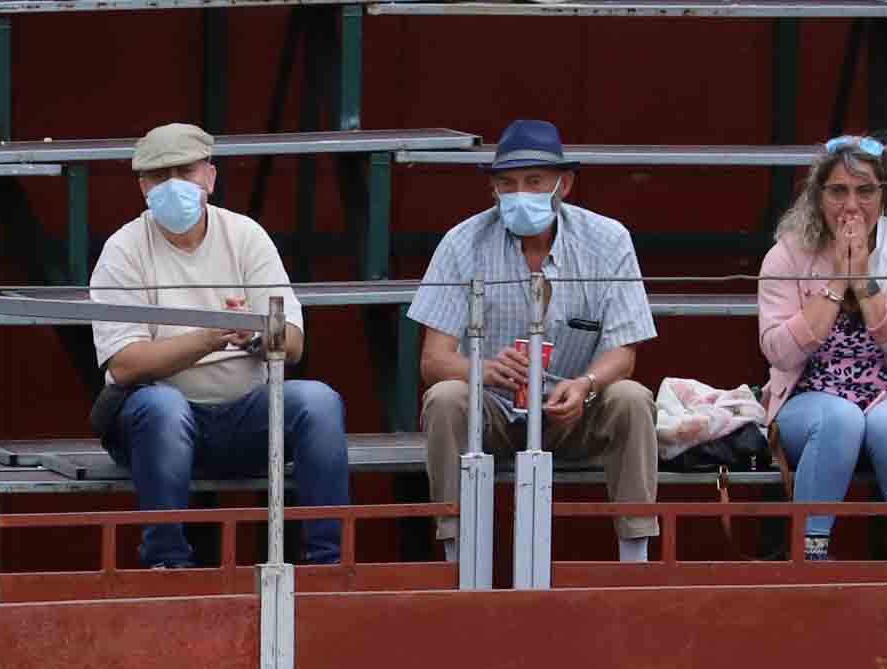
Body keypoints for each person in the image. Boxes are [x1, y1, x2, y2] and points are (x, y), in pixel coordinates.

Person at [85, 122, 349, 568]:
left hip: (246, 413)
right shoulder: (123, 249)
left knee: (319, 402)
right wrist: (208, 337)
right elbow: (125, 364)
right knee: (162, 408)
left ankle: (329, 563)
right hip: (157, 423)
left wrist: (258, 335)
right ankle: (167, 565)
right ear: (143, 186)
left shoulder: (246, 235)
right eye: (159, 176)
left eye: (184, 172)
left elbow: (296, 342)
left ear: (210, 176)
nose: (173, 186)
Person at [413, 119, 663, 563]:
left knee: (631, 397)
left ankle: (635, 556)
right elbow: (433, 359)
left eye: (534, 181)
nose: (519, 193)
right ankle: (456, 555)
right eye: (506, 184)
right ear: (492, 190)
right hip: (490, 409)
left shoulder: (608, 240)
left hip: (573, 407)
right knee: (445, 397)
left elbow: (624, 353)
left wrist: (585, 383)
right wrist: (483, 370)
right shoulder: (461, 242)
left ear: (564, 184)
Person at [757, 137, 887, 560]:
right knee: (839, 417)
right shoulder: (787, 254)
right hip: (808, 398)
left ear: (886, 196)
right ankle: (810, 556)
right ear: (818, 197)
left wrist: (866, 282)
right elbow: (778, 353)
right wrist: (837, 284)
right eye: (838, 191)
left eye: (865, 191)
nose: (851, 205)